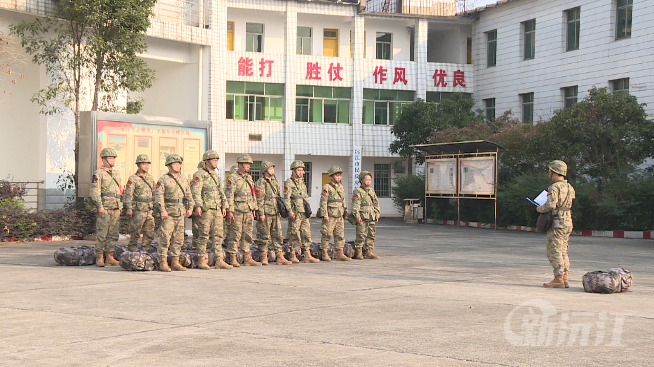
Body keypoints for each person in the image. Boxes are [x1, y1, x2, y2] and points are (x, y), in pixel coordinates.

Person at [537, 160, 576, 288]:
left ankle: (558, 278)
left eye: (550, 172)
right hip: (567, 220)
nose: (549, 174)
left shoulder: (554, 187)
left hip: (557, 221)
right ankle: (565, 277)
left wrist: (540, 209)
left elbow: (551, 205)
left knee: (554, 250)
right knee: (563, 250)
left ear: (555, 172)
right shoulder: (569, 187)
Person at [191, 150, 232, 270]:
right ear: (206, 161)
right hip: (206, 209)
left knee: (218, 235)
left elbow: (221, 191)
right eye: (214, 160)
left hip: (217, 208)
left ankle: (219, 260)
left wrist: (225, 206)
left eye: (216, 160)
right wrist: (198, 205)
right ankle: (201, 259)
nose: (216, 162)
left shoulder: (215, 175)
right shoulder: (199, 174)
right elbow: (196, 191)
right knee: (203, 234)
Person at [154, 154, 194, 272]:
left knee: (179, 239)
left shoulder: (183, 179)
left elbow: (189, 195)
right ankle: (163, 262)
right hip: (169, 213)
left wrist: (190, 208)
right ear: (169, 166)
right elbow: (159, 196)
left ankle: (175, 262)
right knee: (165, 238)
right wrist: (162, 210)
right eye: (175, 164)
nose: (178, 166)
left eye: (179, 164)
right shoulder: (163, 180)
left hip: (180, 212)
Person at [225, 154, 261, 267]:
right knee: (235, 234)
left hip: (248, 210)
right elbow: (229, 195)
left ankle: (247, 257)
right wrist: (230, 211)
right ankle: (233, 257)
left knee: (248, 234)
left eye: (249, 164)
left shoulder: (249, 178)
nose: (248, 166)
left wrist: (254, 208)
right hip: (238, 210)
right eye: (246, 164)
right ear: (239, 165)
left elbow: (253, 194)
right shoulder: (233, 178)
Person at [254, 161, 292, 265]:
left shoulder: (274, 181)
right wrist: (261, 213)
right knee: (264, 235)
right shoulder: (261, 182)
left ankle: (280, 256)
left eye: (273, 168)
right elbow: (259, 200)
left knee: (278, 235)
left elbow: (278, 196)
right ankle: (264, 256)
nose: (273, 170)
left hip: (275, 212)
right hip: (266, 212)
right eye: (270, 168)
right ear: (265, 170)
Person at [91, 147, 123, 267]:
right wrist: (99, 206)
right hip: (105, 207)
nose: (112, 160)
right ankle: (99, 256)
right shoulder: (98, 173)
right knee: (102, 232)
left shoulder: (116, 173)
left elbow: (119, 190)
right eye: (110, 158)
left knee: (113, 233)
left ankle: (110, 256)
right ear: (103, 159)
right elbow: (95, 191)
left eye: (113, 158)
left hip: (115, 206)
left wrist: (120, 205)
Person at [284, 160, 320, 263]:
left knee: (306, 233)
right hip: (295, 211)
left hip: (303, 211)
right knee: (294, 233)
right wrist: (289, 210)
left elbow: (305, 197)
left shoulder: (302, 183)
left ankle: (307, 254)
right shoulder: (289, 182)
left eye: (302, 170)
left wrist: (309, 210)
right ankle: (292, 254)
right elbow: (286, 198)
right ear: (293, 171)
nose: (301, 172)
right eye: (299, 170)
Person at [123, 154, 156, 252]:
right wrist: (129, 208)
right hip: (138, 209)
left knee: (149, 231)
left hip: (149, 209)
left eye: (147, 164)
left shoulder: (150, 178)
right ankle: (132, 248)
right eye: (143, 164)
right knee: (135, 230)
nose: (146, 166)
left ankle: (146, 248)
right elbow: (128, 194)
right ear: (138, 165)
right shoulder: (133, 178)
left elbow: (154, 192)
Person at [318, 165, 350, 261]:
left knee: (340, 235)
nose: (338, 177)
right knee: (327, 234)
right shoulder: (327, 187)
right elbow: (323, 202)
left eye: (340, 175)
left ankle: (339, 253)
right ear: (332, 176)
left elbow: (343, 200)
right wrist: (325, 214)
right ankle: (324, 253)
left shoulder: (341, 187)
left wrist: (345, 212)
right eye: (337, 175)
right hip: (331, 215)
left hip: (339, 215)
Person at [351, 171, 381, 260]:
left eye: (370, 179)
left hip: (371, 216)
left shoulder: (371, 191)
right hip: (362, 216)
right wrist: (357, 216)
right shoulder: (358, 191)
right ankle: (359, 252)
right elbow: (356, 205)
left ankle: (369, 251)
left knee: (371, 234)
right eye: (366, 179)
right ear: (362, 180)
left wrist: (377, 214)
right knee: (361, 234)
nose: (368, 181)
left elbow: (376, 203)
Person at [190, 161, 206, 251]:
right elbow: (194, 193)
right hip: (198, 206)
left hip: (206, 207)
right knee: (197, 228)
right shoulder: (196, 179)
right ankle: (195, 245)